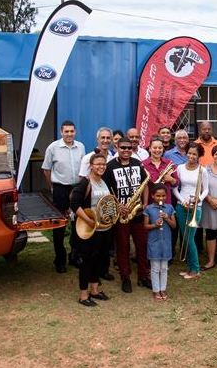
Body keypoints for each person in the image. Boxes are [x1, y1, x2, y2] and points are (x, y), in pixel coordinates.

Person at [104, 137, 150, 293]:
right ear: (117, 147)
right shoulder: (110, 166)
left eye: (129, 148)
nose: (126, 150)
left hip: (137, 212)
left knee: (142, 246)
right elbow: (106, 192)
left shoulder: (137, 164)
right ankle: (125, 277)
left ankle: (144, 276)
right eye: (123, 147)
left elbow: (145, 185)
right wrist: (118, 206)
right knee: (122, 247)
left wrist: (144, 204)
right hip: (121, 214)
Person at [42, 120, 85, 273]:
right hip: (60, 188)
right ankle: (59, 259)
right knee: (60, 225)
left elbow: (84, 168)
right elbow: (46, 169)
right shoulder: (53, 148)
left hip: (77, 188)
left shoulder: (81, 147)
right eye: (66, 131)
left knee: (77, 224)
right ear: (61, 132)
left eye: (71, 131)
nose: (69, 134)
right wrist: (52, 187)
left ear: (75, 132)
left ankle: (74, 255)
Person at [70, 154, 111, 306]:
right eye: (98, 164)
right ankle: (83, 295)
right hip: (89, 229)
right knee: (86, 261)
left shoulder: (103, 182)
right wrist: (89, 221)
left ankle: (94, 290)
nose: (101, 166)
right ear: (91, 165)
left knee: (99, 259)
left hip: (104, 229)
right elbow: (74, 204)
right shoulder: (85, 183)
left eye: (103, 164)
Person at [173, 143, 209, 279]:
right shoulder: (180, 168)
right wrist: (182, 200)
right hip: (181, 206)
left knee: (189, 239)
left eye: (194, 154)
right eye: (189, 153)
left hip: (196, 207)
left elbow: (206, 189)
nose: (191, 156)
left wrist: (198, 200)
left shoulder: (202, 170)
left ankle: (195, 269)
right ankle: (189, 268)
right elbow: (175, 187)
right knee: (185, 238)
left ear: (199, 156)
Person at [142, 136, 179, 264]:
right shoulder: (144, 164)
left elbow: (176, 183)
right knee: (151, 231)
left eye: (160, 148)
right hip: (151, 204)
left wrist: (171, 179)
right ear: (150, 149)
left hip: (166, 202)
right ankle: (150, 257)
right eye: (154, 148)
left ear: (163, 149)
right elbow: (143, 185)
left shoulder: (169, 164)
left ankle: (167, 256)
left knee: (166, 231)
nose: (157, 150)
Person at [143, 183, 176, 301]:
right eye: (158, 196)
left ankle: (163, 289)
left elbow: (174, 225)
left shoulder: (170, 208)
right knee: (155, 267)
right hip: (154, 243)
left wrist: (167, 218)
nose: (160, 198)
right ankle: (156, 290)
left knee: (164, 268)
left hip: (166, 243)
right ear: (152, 196)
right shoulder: (149, 209)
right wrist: (155, 225)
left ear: (166, 196)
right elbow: (145, 226)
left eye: (163, 196)